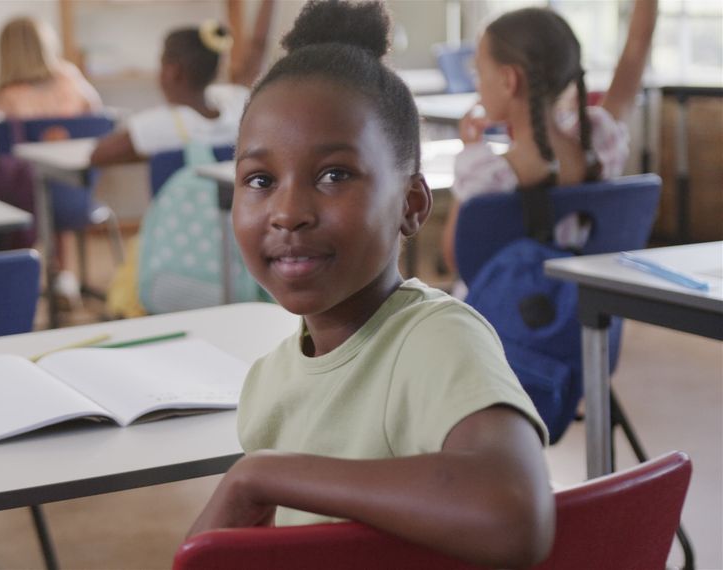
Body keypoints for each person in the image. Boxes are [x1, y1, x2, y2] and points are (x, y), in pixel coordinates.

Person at [185, 2, 555, 567]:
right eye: (259, 179)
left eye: (334, 175)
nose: (287, 212)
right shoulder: (269, 383)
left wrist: (261, 474)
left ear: (411, 205)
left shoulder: (435, 338)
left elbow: (512, 514)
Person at [441, 0, 658, 274]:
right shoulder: (598, 144)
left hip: (498, 316)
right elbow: (636, 50)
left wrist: (471, 152)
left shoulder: (484, 173)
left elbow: (457, 259)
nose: (477, 83)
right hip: (585, 310)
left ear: (509, 80)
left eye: (479, 72)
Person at [89, 1, 274, 165]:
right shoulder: (237, 105)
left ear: (172, 71)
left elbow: (98, 155)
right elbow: (258, 47)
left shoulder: (160, 124)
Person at [0, 16, 101, 126]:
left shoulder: (8, 94)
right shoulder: (69, 76)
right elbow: (96, 109)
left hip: (28, 163)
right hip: (75, 159)